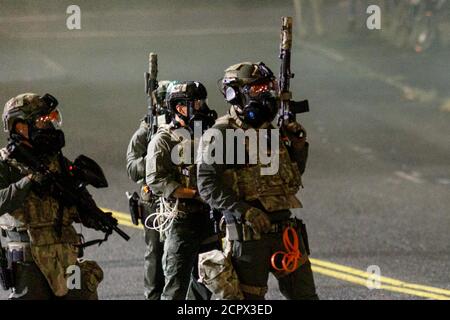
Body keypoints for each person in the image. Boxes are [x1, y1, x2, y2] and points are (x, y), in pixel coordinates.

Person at [197, 62, 319, 300]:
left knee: (305, 296)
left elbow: (289, 180)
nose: (266, 96)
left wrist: (297, 146)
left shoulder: (269, 131)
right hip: (248, 235)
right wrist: (245, 211)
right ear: (235, 94)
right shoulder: (222, 134)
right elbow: (207, 185)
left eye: (268, 89)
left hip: (285, 232)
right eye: (257, 90)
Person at [0, 93, 104, 300]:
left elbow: (77, 197)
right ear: (20, 126)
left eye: (51, 121)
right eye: (42, 122)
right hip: (29, 261)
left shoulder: (57, 162)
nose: (49, 128)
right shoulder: (5, 163)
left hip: (67, 257)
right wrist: (29, 181)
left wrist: (94, 216)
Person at [145, 81, 218, 300]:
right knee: (176, 285)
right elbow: (156, 179)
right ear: (179, 107)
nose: (202, 107)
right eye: (195, 103)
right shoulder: (164, 139)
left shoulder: (210, 136)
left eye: (202, 101)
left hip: (209, 219)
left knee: (209, 280)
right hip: (182, 221)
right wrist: (194, 194)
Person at [126, 80, 173, 300]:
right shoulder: (146, 130)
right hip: (154, 201)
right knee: (155, 253)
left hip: (178, 197)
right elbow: (133, 169)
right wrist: (152, 157)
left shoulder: (182, 128)